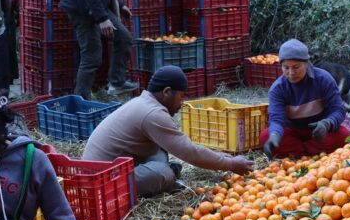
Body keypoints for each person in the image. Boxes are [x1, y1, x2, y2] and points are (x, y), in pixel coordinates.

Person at [82, 66, 254, 197]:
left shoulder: (145, 102)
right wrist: (230, 164)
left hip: (121, 163)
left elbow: (180, 145)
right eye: (181, 96)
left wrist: (227, 159)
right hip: (102, 180)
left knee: (162, 148)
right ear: (167, 92)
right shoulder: (153, 114)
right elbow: (189, 152)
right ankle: (167, 172)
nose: (182, 102)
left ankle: (164, 170)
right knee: (163, 174)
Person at [260, 39, 350, 159]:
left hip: (319, 131)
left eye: (296, 67)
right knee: (265, 136)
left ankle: (298, 153)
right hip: (293, 131)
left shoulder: (323, 79)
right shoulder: (278, 88)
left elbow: (338, 109)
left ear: (307, 63)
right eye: (286, 68)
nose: (291, 72)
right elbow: (277, 119)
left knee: (343, 136)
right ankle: (310, 151)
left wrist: (326, 123)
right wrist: (275, 135)